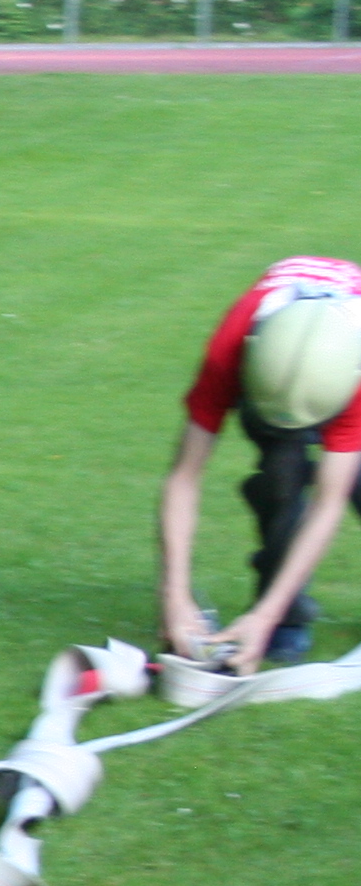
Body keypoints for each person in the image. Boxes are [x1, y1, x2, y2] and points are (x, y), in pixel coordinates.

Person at [157, 255, 361, 670]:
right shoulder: (230, 350)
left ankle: (270, 615)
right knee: (280, 478)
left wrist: (261, 616)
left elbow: (328, 503)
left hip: (340, 370)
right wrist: (173, 596)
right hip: (273, 362)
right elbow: (184, 477)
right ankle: (284, 616)